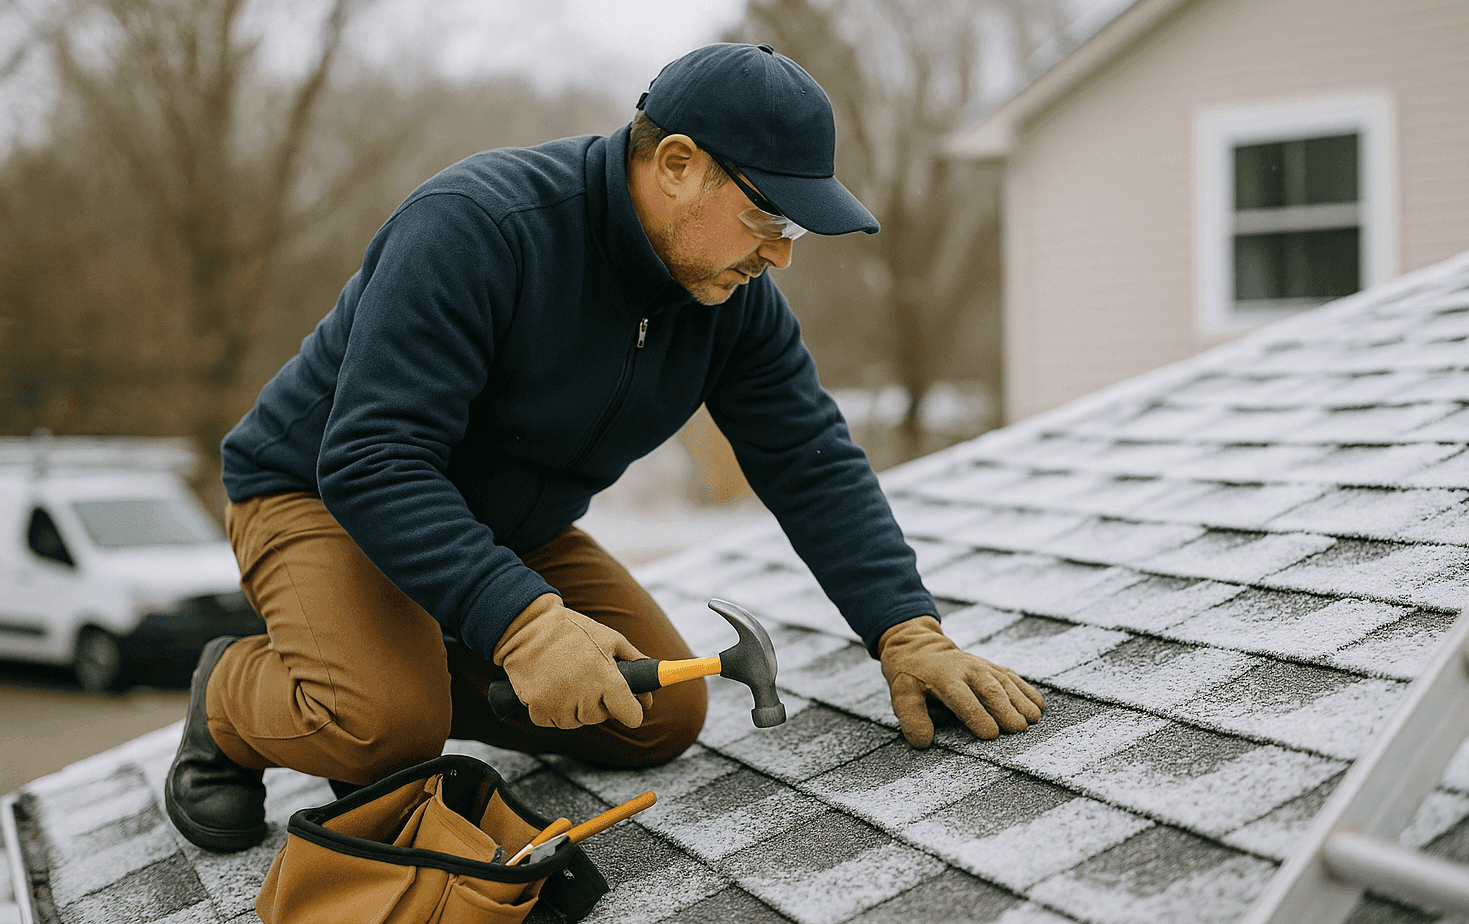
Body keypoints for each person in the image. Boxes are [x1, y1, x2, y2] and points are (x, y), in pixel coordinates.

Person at [165, 43, 1045, 853]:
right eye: (768, 215)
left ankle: (397, 657)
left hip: (506, 524)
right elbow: (371, 459)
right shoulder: (477, 229)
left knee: (653, 715)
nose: (780, 255)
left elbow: (810, 459)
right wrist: (526, 622)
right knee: (385, 729)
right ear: (676, 164)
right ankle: (235, 694)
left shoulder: (732, 303)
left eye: (798, 230)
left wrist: (908, 630)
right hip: (320, 497)